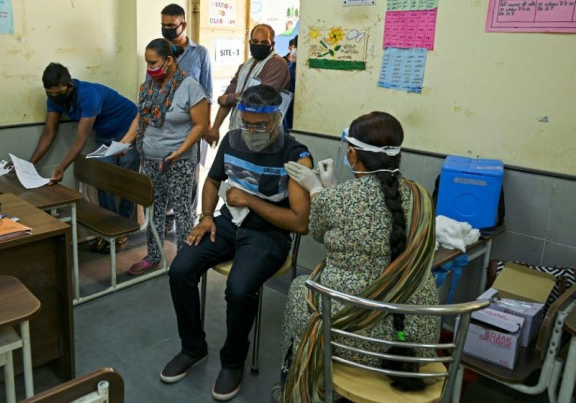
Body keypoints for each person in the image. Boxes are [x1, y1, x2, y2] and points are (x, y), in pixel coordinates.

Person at [273, 111, 439, 403]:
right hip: (416, 337)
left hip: (352, 337)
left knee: (301, 291)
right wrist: (328, 194)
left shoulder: (338, 199)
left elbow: (319, 232)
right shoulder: (422, 196)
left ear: (351, 154)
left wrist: (317, 190)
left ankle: (296, 387)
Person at [161, 85, 312, 401]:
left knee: (240, 289)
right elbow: (214, 180)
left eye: (261, 125)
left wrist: (251, 201)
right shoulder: (231, 140)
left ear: (277, 118)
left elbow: (300, 222)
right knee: (180, 270)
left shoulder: (296, 155)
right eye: (247, 123)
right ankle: (193, 347)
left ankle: (233, 361)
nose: (252, 131)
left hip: (268, 234)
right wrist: (205, 216)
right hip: (227, 223)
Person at [119, 38, 209, 276]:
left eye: (153, 63)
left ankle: (185, 260)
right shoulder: (149, 86)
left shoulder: (190, 87)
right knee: (154, 208)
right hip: (150, 158)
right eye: (147, 63)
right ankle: (153, 256)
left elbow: (201, 125)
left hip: (178, 159)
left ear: (169, 60)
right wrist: (126, 140)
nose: (150, 68)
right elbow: (141, 117)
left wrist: (180, 151)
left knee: (182, 211)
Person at [29, 62, 138, 253]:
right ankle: (110, 230)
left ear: (69, 86)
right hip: (105, 135)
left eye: (57, 93)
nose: (54, 97)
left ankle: (123, 231)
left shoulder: (89, 95)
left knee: (127, 183)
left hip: (129, 129)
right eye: (49, 93)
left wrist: (62, 167)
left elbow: (81, 139)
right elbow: (49, 133)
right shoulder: (54, 98)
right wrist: (30, 164)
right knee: (102, 179)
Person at [160, 3, 213, 222]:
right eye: (163, 25)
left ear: (183, 24)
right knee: (164, 178)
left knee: (189, 179)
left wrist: (207, 127)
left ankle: (188, 224)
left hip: (191, 129)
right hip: (164, 128)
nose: (167, 29)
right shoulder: (158, 52)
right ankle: (164, 224)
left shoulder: (200, 53)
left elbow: (207, 93)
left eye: (171, 25)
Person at [204, 24, 290, 146]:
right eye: (255, 41)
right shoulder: (245, 66)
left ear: (272, 44)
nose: (259, 45)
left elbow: (259, 98)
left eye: (264, 42)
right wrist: (215, 128)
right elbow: (226, 99)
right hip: (241, 129)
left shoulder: (278, 64)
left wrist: (231, 98)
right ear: (250, 42)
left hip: (264, 133)